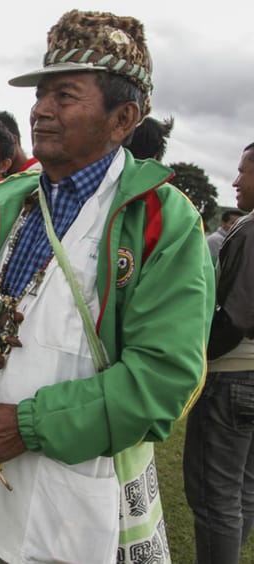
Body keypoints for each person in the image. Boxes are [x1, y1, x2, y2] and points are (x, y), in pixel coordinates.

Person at [0, 11, 212, 562]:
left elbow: (165, 376)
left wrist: (30, 425)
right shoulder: (3, 200)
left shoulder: (161, 219)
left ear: (123, 117)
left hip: (68, 495)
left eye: (65, 95)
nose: (40, 109)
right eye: (41, 94)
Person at [184, 143, 254, 564]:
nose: (235, 181)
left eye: (243, 171)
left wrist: (195, 355)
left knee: (216, 496)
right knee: (243, 488)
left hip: (234, 377)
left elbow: (235, 318)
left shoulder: (249, 230)